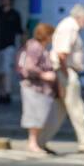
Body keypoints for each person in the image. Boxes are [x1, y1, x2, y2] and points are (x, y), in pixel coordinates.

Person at [39, 4, 84, 155]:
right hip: (66, 72)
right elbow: (62, 54)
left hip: (63, 71)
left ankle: (40, 142)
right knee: (77, 109)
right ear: (81, 17)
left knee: (58, 111)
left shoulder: (68, 26)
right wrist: (66, 74)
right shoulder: (70, 27)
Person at [17, 23, 59, 155]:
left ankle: (37, 143)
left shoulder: (38, 46)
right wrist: (44, 75)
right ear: (47, 35)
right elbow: (29, 66)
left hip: (39, 88)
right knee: (35, 115)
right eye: (52, 35)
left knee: (41, 115)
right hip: (34, 86)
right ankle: (33, 143)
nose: (53, 38)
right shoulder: (35, 46)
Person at [0, 0, 24, 106]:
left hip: (9, 46)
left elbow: (20, 31)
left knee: (6, 70)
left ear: (10, 0)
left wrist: (22, 47)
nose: (4, 1)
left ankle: (7, 93)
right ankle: (1, 92)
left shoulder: (15, 14)